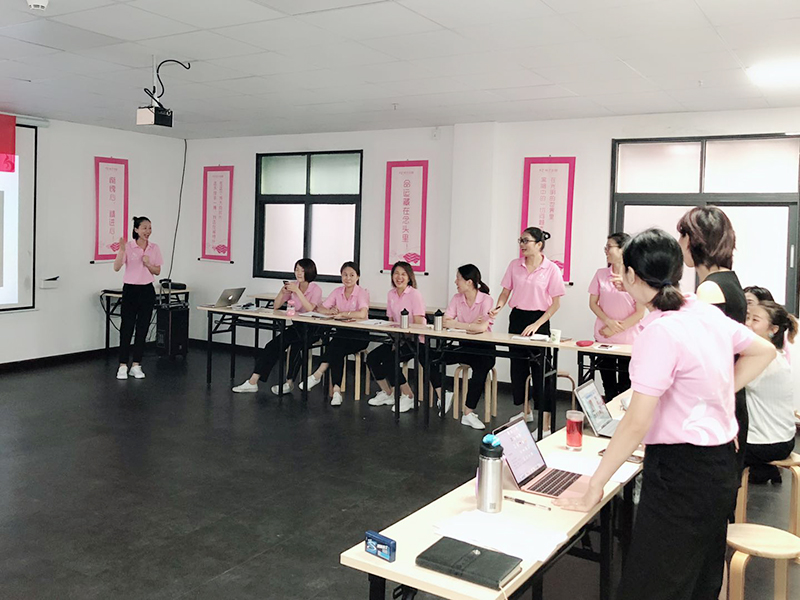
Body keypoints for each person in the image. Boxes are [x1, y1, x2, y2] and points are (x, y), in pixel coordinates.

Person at [554, 228, 775, 600]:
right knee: (698, 578)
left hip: (681, 473)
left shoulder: (661, 332)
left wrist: (595, 486)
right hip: (720, 466)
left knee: (653, 585)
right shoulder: (701, 310)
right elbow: (763, 351)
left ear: (631, 276)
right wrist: (716, 395)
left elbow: (636, 422)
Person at [677, 206, 750, 473]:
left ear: (693, 240)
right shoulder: (729, 280)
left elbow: (707, 359)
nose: (679, 243)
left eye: (682, 236)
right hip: (727, 399)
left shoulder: (709, 289)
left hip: (715, 407)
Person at [490, 227, 565, 426]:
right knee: (518, 368)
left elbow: (555, 304)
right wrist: (498, 307)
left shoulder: (551, 269)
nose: (522, 245)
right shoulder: (514, 265)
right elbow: (505, 292)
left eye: (526, 241)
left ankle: (545, 421)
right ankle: (526, 411)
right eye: (520, 240)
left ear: (539, 245)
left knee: (541, 371)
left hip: (539, 320)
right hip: (517, 319)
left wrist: (537, 324)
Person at [232, 258, 322, 395]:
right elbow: (276, 306)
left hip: (313, 328)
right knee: (272, 345)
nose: (298, 273)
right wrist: (282, 292)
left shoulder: (315, 289)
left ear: (309, 271)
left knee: (297, 346)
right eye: (296, 269)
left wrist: (297, 291)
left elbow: (310, 308)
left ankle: (289, 383)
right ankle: (253, 382)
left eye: (302, 270)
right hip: (297, 326)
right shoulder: (293, 285)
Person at [435, 264, 496, 430]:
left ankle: (468, 413)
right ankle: (443, 393)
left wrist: (458, 324)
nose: (456, 282)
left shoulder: (486, 299)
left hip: (484, 349)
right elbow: (445, 321)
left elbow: (481, 327)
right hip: (464, 346)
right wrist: (470, 325)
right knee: (431, 357)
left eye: (458, 278)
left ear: (469, 282)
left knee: (480, 369)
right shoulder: (457, 298)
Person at [300, 262, 370, 407]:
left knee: (336, 346)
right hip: (342, 334)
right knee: (337, 348)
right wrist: (330, 311)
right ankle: (336, 391)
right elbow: (320, 308)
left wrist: (344, 313)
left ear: (357, 277)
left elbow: (362, 314)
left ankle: (318, 375)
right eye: (345, 275)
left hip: (359, 335)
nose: (348, 278)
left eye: (351, 275)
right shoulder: (338, 291)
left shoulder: (362, 292)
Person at [744, 300, 797, 484]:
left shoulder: (765, 359)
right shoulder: (775, 355)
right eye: (747, 317)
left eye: (755, 320)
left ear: (773, 329)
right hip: (780, 439)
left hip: (768, 443)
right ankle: (764, 471)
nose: (747, 323)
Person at [588, 232, 645, 401]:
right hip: (604, 337)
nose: (606, 251)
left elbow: (640, 312)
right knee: (608, 384)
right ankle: (609, 416)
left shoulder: (636, 276)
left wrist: (615, 328)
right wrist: (608, 322)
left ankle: (623, 417)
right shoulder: (600, 274)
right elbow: (593, 303)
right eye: (605, 247)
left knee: (626, 386)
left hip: (628, 340)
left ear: (623, 249)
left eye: (609, 247)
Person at [366, 261, 426, 413]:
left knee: (390, 359)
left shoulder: (415, 294)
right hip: (397, 339)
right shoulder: (391, 294)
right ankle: (389, 393)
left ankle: (409, 395)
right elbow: (391, 321)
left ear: (409, 277)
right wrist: (395, 339)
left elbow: (419, 323)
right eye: (396, 274)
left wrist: (402, 338)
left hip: (414, 341)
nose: (399, 277)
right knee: (372, 358)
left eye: (403, 274)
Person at [113, 216, 163, 380]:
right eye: (144, 228)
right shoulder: (128, 246)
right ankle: (122, 365)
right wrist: (121, 250)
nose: (147, 231)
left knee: (143, 328)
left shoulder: (154, 248)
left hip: (147, 290)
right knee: (127, 327)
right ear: (136, 229)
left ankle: (136, 364)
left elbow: (157, 271)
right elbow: (116, 267)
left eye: (150, 228)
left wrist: (148, 264)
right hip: (130, 290)